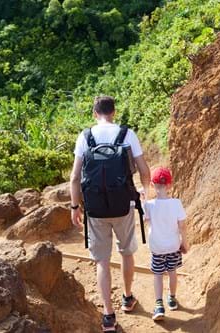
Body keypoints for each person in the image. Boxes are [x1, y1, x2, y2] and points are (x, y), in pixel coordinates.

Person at [70, 96, 151, 332]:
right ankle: (127, 297)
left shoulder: (85, 137)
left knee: (102, 261)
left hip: (95, 209)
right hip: (123, 204)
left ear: (95, 113)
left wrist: (75, 207)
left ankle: (108, 315)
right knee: (126, 252)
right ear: (113, 111)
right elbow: (144, 170)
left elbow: (75, 177)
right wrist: (146, 194)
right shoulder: (127, 134)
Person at [144, 166, 188, 321]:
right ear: (169, 185)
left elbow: (147, 221)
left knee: (157, 275)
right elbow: (182, 226)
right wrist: (185, 243)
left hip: (157, 248)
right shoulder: (176, 203)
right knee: (172, 271)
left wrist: (145, 199)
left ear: (152, 185)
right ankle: (172, 298)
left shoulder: (149, 205)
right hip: (173, 246)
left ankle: (158, 305)